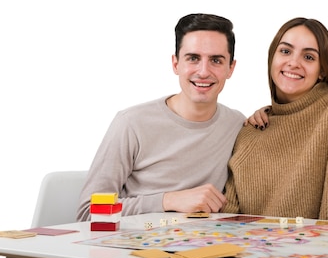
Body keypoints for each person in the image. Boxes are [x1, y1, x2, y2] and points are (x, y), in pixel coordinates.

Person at [76, 13, 245, 222]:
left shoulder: (237, 124)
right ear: (175, 64)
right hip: (136, 247)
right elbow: (88, 212)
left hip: (203, 246)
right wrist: (168, 201)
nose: (203, 71)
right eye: (193, 58)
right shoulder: (131, 123)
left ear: (231, 68)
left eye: (216, 60)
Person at [222, 17, 328, 223]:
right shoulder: (250, 131)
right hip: (253, 251)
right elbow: (229, 216)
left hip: (325, 250)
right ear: (272, 58)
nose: (293, 62)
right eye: (285, 51)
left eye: (308, 57)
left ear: (323, 70)